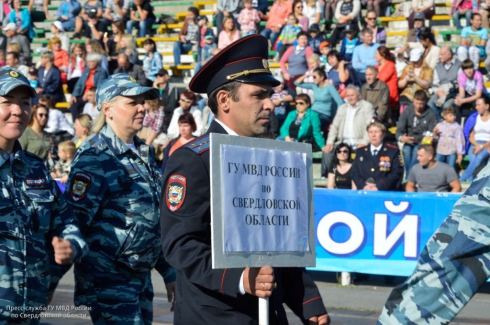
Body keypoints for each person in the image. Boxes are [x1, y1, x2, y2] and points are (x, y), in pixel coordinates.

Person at [161, 34, 329, 325]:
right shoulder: (194, 159)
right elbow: (181, 244)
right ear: (225, 100)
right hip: (215, 315)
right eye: (259, 95)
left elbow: (281, 243)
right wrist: (239, 278)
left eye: (270, 94)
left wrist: (309, 304)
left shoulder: (273, 157)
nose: (270, 104)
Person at [54, 74, 176, 324]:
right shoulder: (95, 157)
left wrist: (168, 271)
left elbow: (152, 218)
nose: (142, 107)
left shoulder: (143, 151)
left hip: (139, 278)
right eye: (132, 102)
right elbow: (73, 224)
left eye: (143, 101)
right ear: (108, 109)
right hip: (108, 282)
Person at [0, 65, 87, 323]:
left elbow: (68, 221)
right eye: (7, 102)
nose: (18, 111)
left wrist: (70, 245)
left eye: (25, 103)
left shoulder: (35, 167)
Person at [321, 85, 375, 176]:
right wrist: (329, 142)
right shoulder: (342, 108)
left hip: (359, 142)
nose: (349, 98)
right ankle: (325, 177)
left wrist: (364, 142)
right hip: (343, 142)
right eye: (348, 95)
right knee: (327, 151)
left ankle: (358, 178)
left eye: (352, 95)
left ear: (359, 95)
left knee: (363, 153)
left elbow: (369, 127)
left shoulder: (367, 107)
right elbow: (334, 127)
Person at [396, 90, 438, 177]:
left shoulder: (431, 114)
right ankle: (410, 175)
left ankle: (409, 177)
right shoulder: (407, 111)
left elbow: (430, 133)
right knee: (406, 151)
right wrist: (402, 138)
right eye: (416, 103)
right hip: (409, 140)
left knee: (417, 151)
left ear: (425, 102)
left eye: (421, 104)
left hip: (423, 142)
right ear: (413, 100)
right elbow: (399, 130)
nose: (418, 106)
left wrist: (425, 139)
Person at [351, 121, 404, 191]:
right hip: (364, 191)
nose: (373, 135)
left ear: (383, 134)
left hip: (385, 192)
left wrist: (379, 186)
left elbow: (397, 172)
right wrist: (363, 185)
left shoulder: (393, 151)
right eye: (370, 132)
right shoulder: (361, 151)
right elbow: (354, 171)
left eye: (376, 132)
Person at [70, 52, 109, 121]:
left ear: (97, 62)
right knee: (74, 104)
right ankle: (76, 123)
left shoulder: (102, 72)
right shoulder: (86, 70)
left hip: (93, 95)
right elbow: (79, 83)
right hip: (83, 94)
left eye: (92, 62)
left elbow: (99, 86)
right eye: (89, 62)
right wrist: (74, 95)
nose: (90, 63)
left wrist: (88, 94)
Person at [460, 96, 490, 181]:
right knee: (473, 158)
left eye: (479, 105)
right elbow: (471, 136)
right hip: (475, 143)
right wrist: (478, 145)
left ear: (487, 106)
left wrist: (482, 146)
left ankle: (462, 178)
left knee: (479, 157)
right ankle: (472, 180)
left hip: (488, 144)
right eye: (476, 105)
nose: (476, 107)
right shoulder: (474, 118)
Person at [427, 45, 462, 119]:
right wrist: (438, 92)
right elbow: (435, 84)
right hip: (441, 90)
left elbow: (460, 83)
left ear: (449, 55)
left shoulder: (459, 65)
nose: (440, 56)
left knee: (446, 106)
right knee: (430, 104)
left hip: (453, 92)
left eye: (442, 54)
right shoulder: (438, 67)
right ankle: (440, 121)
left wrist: (449, 92)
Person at [375, 46, 398, 114]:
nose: (375, 56)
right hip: (379, 96)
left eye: (376, 54)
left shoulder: (390, 65)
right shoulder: (376, 66)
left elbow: (381, 79)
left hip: (390, 98)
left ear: (383, 55)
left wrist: (374, 76)